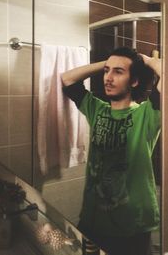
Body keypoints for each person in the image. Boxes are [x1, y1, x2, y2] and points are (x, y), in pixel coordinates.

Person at [61, 47, 161, 255]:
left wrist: (147, 62)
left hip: (133, 220)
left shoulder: (147, 114)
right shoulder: (96, 109)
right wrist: (107, 62)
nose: (108, 78)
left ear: (134, 81)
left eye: (118, 72)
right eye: (107, 71)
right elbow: (67, 79)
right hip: (93, 217)